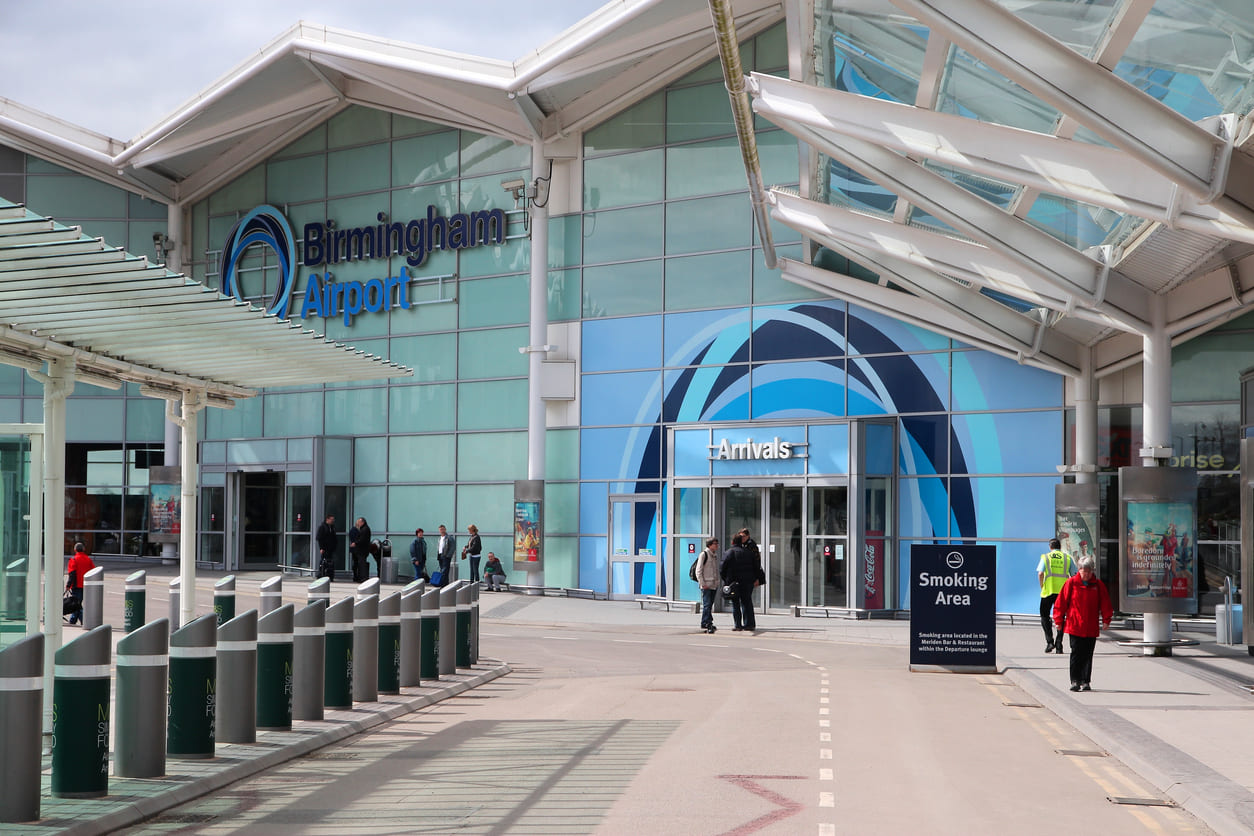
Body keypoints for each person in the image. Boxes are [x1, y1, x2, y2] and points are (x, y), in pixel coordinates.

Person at [1053, 555, 1112, 692]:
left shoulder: (1098, 585)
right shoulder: (1071, 583)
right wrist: (1058, 620)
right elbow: (1061, 603)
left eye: (1088, 571)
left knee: (1088, 654)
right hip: (1075, 626)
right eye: (1083, 570)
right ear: (1078, 570)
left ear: (1092, 571)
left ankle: (1085, 681)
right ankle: (1075, 680)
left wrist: (1106, 619)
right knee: (1076, 653)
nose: (1086, 574)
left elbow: (1105, 603)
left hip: (1090, 627)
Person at [721, 528, 765, 632]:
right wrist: (755, 578)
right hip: (747, 582)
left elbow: (722, 568)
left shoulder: (729, 552)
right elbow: (756, 566)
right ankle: (749, 624)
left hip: (733, 583)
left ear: (732, 542)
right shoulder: (749, 552)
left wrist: (726, 580)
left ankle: (738, 625)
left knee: (736, 603)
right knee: (747, 602)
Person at [1036, 538, 1075, 654]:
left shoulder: (1046, 557)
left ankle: (1049, 642)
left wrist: (1042, 585)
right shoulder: (1067, 558)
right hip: (1063, 593)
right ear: (1060, 547)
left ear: (1050, 547)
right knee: (1061, 618)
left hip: (1048, 591)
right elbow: (1074, 574)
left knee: (1044, 615)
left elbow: (1040, 573)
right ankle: (1059, 644)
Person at [65, 542, 95, 625]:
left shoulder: (73, 560)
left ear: (75, 550)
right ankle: (74, 620)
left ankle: (82, 620)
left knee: (77, 604)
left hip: (76, 585)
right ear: (84, 549)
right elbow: (93, 571)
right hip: (86, 585)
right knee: (78, 603)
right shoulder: (88, 559)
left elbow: (72, 574)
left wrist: (68, 585)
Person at [694, 537, 720, 633]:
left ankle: (708, 621)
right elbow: (698, 571)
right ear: (709, 545)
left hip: (713, 584)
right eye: (715, 543)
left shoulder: (714, 555)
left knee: (709, 604)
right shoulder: (704, 555)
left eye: (717, 543)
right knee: (707, 604)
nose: (717, 545)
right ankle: (705, 622)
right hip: (706, 585)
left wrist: (717, 582)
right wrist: (702, 583)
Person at [349, 517, 372, 583]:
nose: (358, 524)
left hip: (362, 550)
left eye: (359, 522)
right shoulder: (364, 529)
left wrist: (355, 543)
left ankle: (363, 577)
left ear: (362, 522)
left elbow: (362, 539)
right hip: (362, 550)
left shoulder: (365, 529)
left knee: (362, 564)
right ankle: (361, 577)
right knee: (360, 563)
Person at [316, 514, 338, 580]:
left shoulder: (332, 527)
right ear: (327, 519)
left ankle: (330, 574)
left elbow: (334, 537)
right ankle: (321, 574)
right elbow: (319, 538)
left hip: (331, 548)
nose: (332, 521)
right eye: (331, 519)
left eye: (333, 520)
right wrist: (321, 548)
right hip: (325, 547)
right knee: (324, 561)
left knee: (330, 561)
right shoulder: (322, 527)